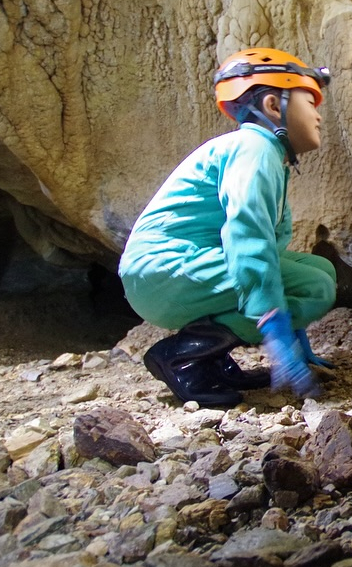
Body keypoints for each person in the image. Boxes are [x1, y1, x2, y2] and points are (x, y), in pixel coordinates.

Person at [120, 47, 339, 406]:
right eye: (310, 102)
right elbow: (247, 235)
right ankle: (183, 356)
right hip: (164, 272)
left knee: (319, 269)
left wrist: (296, 337)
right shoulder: (254, 148)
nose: (317, 116)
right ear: (272, 105)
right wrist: (274, 326)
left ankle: (216, 361)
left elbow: (269, 249)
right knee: (315, 287)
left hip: (169, 270)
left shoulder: (263, 154)